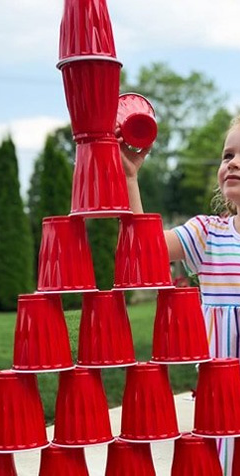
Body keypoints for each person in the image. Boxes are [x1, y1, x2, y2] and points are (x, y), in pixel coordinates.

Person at [116, 116, 240, 476]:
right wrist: (128, 178)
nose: (231, 163)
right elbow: (142, 249)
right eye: (227, 155)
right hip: (221, 399)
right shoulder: (208, 234)